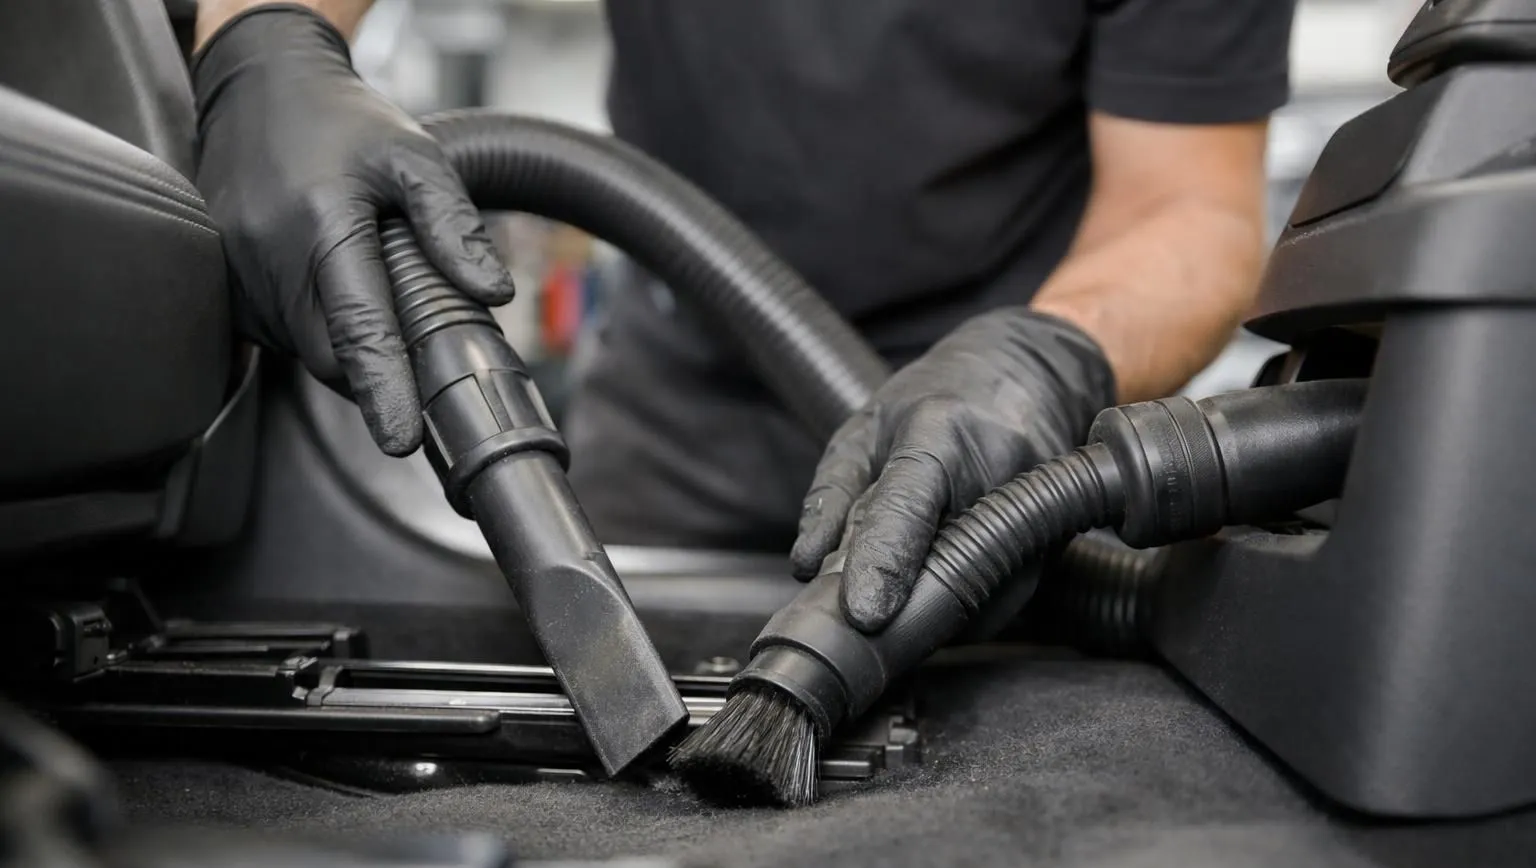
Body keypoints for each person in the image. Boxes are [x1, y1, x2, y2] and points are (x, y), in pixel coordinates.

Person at [191, 0, 1294, 633]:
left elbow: (1189, 209)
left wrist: (1043, 363)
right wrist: (268, 44)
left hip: (1004, 439)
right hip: (680, 418)